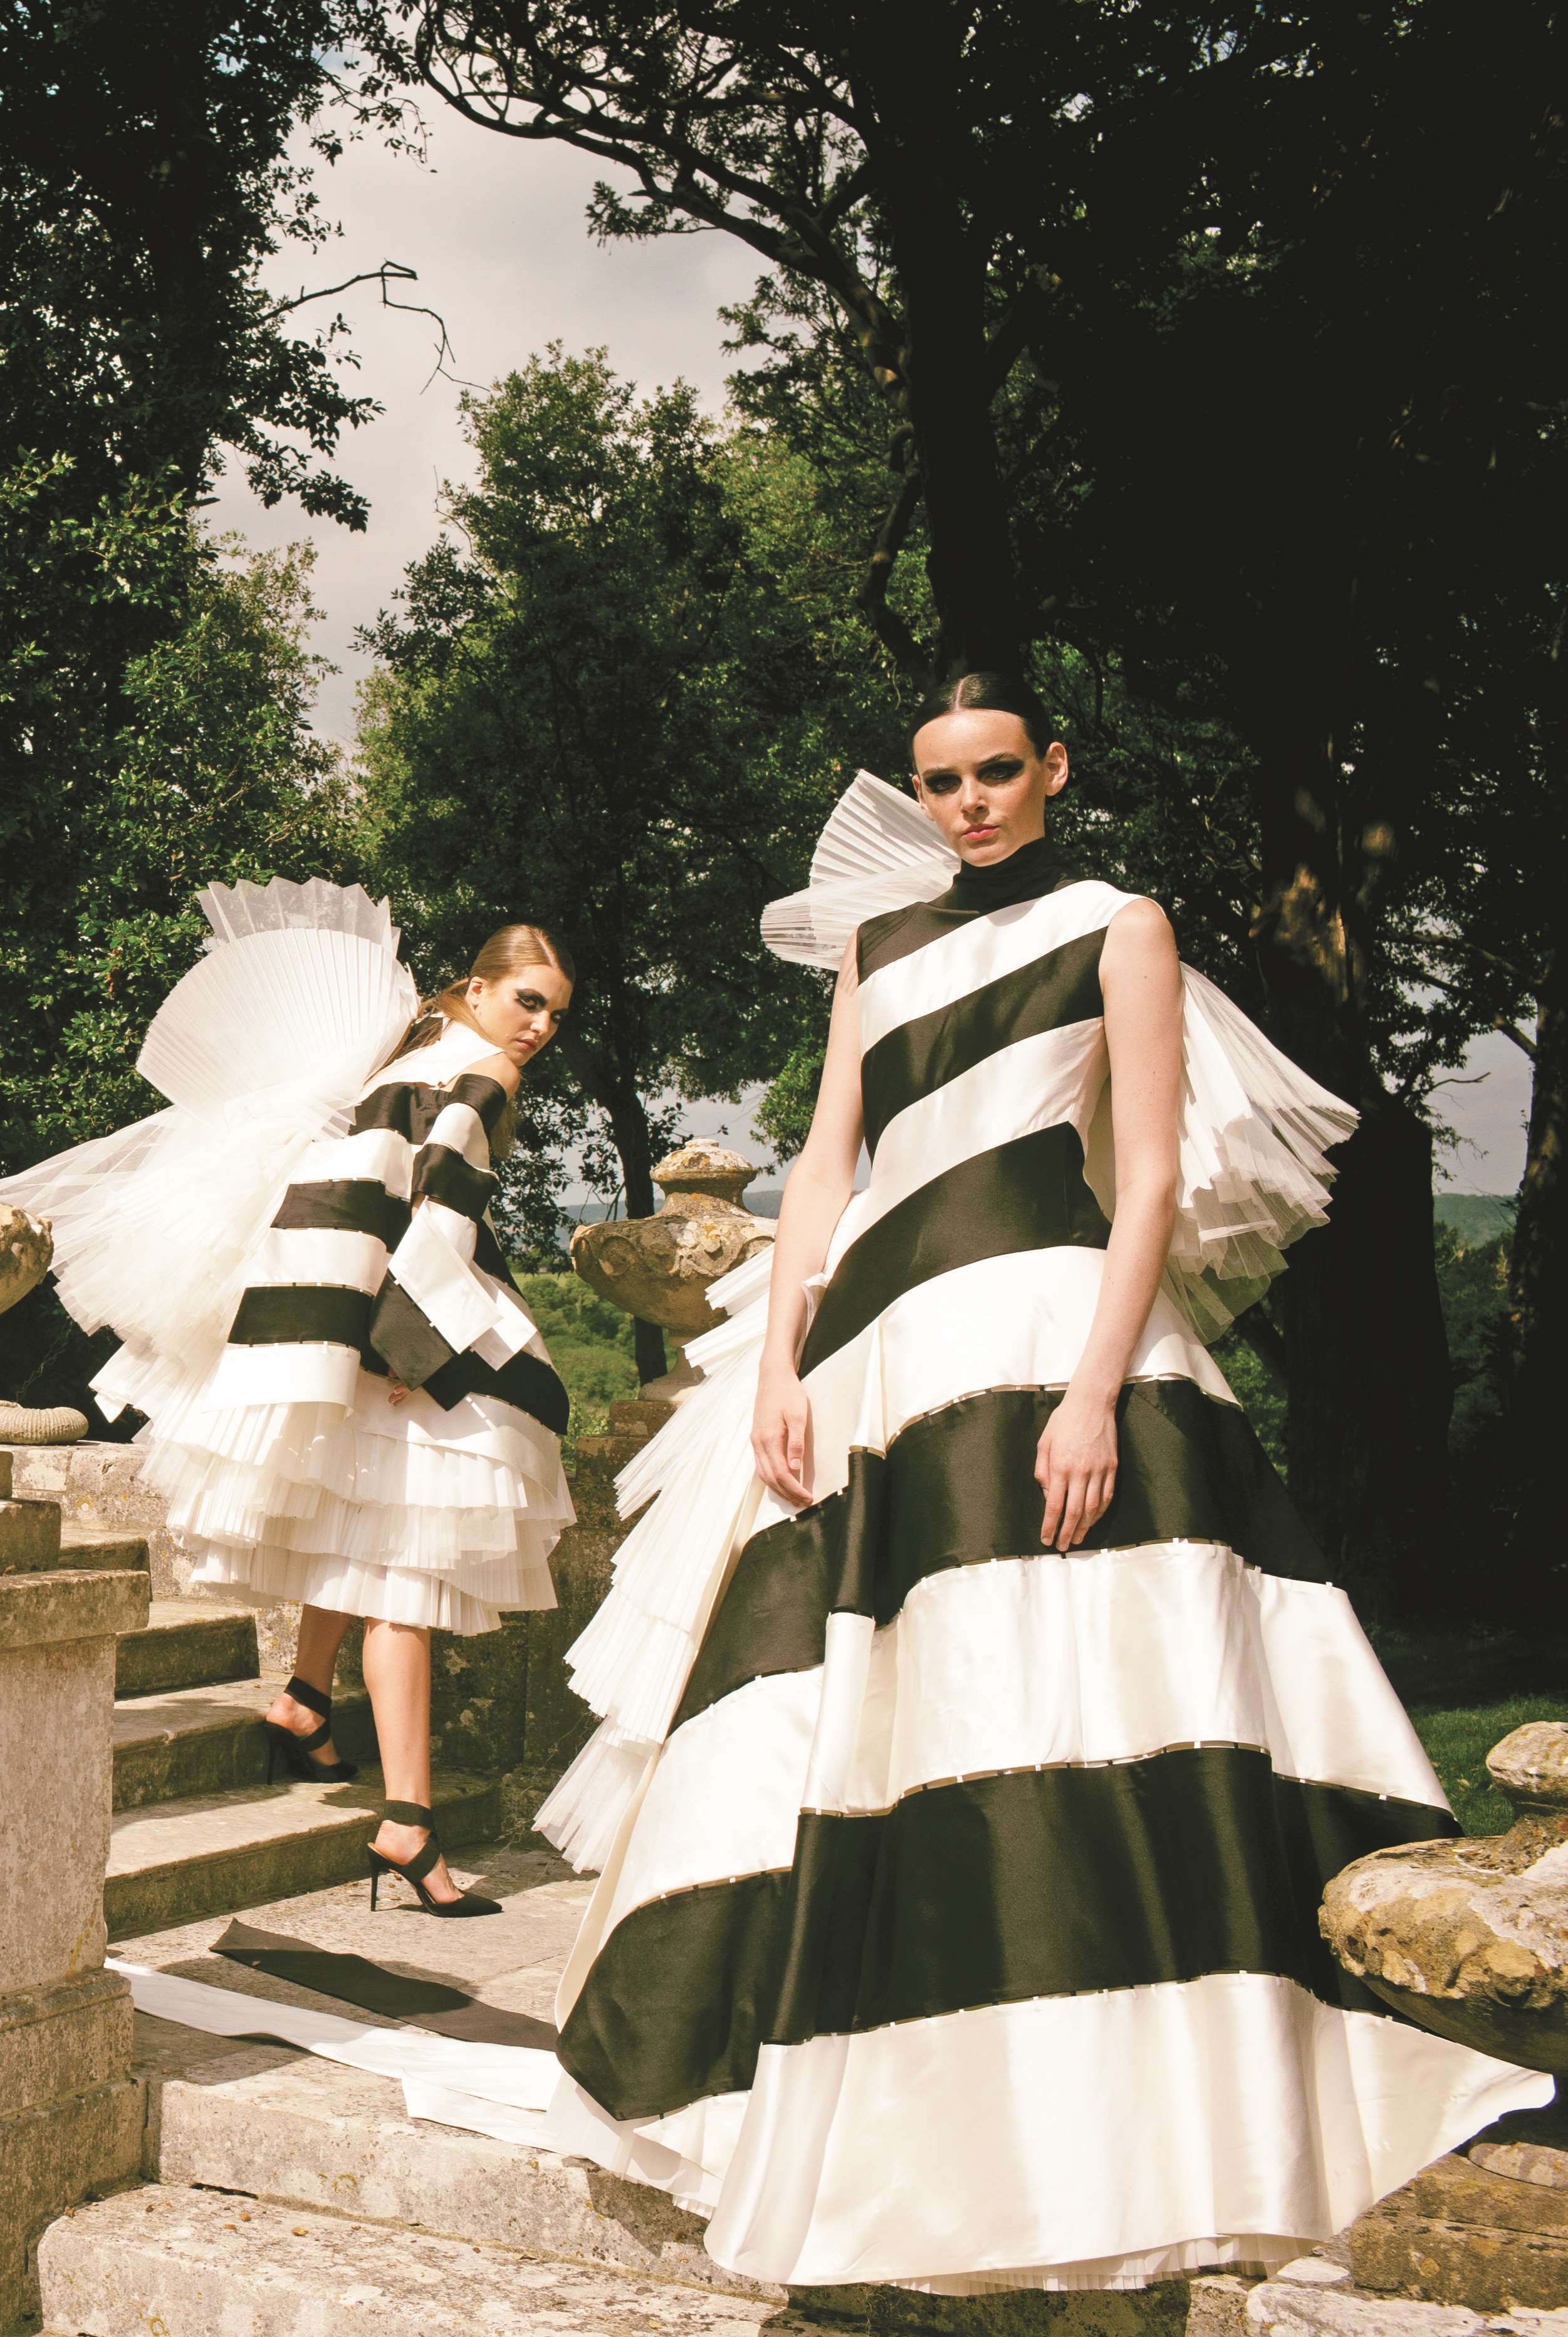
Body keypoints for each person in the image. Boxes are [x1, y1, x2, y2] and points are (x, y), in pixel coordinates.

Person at [533, 673, 1550, 2293]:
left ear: (1048, 768)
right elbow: (821, 1164)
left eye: (995, 770)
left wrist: (1091, 1386)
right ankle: (892, 2147)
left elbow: (1142, 1168)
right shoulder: (871, 953)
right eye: (940, 778)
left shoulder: (1114, 923)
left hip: (1046, 1332)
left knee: (1090, 1710)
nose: (968, 802)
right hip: (874, 1366)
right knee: (866, 1730)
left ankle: (1123, 2130)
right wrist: (781, 1360)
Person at [0, 889, 577, 1914]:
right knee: (405, 1574)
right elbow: (439, 1220)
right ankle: (409, 1822)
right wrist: (419, 1348)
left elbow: (360, 1189)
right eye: (528, 999)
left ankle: (304, 1700)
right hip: (395, 1320)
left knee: (358, 1518)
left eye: (555, 1013)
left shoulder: (401, 1059)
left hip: (333, 1306)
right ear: (476, 988)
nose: (540, 1027)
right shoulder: (486, 1070)